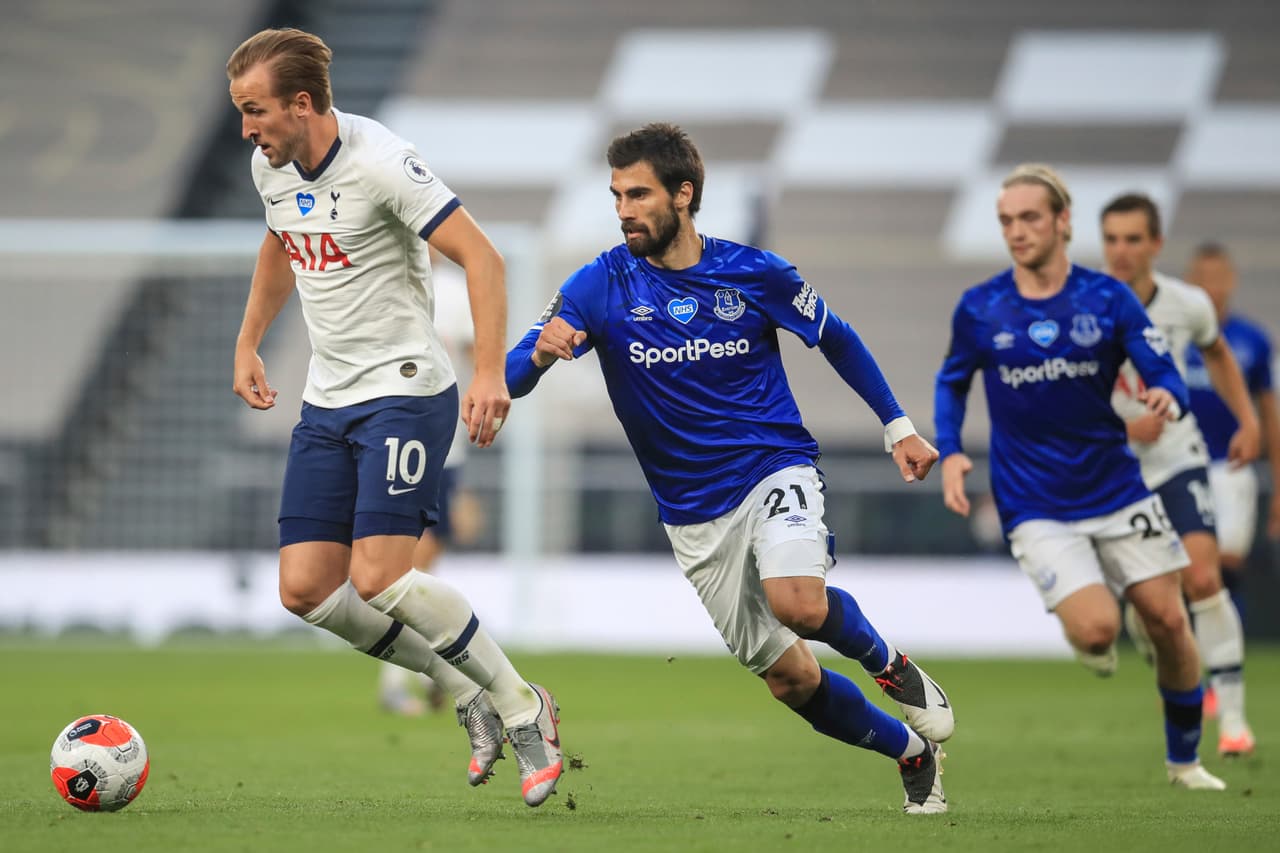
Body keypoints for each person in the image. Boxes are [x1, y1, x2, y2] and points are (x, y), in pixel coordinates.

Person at [505, 122, 954, 815]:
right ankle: (911, 752)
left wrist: (898, 425)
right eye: (617, 194)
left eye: (639, 193)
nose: (623, 209)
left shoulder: (754, 272)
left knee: (798, 602)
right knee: (790, 681)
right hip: (692, 517)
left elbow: (837, 337)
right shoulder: (598, 284)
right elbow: (511, 376)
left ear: (683, 195)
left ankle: (890, 664)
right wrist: (538, 353)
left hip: (774, 468)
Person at [226, 28, 561, 807]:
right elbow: (280, 242)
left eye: (255, 111)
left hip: (406, 390)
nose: (247, 129)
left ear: (301, 104)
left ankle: (522, 704)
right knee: (305, 588)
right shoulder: (268, 167)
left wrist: (488, 374)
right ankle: (463, 687)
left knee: (379, 576)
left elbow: (483, 256)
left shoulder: (382, 163)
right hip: (327, 398)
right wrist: (247, 341)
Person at [934, 163, 1226, 790]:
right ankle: (1093, 630)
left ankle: (1185, 762)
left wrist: (1168, 397)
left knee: (1171, 621)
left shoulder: (1107, 299)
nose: (1017, 231)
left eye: (1030, 217)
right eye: (1006, 221)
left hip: (1117, 486)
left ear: (1063, 222)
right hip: (1034, 501)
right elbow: (953, 380)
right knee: (1096, 632)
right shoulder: (981, 307)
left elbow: (1163, 368)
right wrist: (952, 448)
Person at [1101, 196, 1259, 757]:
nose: (1122, 251)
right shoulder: (1086, 306)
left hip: (1179, 458)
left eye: (1133, 239)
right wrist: (1122, 431)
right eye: (1112, 239)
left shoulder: (1187, 303)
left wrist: (1249, 419)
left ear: (1155, 244)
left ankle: (1234, 719)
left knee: (1204, 580)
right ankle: (1158, 641)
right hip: (1117, 468)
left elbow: (1218, 355)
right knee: (1152, 609)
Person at [379, 256, 483, 717]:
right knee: (406, 564)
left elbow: (473, 362)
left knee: (419, 562)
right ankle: (411, 674)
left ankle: (418, 670)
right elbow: (480, 361)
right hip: (419, 439)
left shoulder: (440, 288)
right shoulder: (436, 287)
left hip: (436, 445)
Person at [1184, 242, 1280, 622]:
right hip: (1179, 465)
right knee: (1189, 572)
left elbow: (1269, 415)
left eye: (1219, 278)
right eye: (1204, 279)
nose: (1212, 287)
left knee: (1226, 567)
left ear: (1232, 282)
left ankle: (1224, 664)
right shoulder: (1173, 336)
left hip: (1232, 466)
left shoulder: (1252, 340)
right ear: (1191, 283)